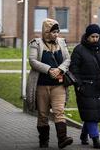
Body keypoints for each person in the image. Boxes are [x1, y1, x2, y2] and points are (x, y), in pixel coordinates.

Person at [26, 18, 73, 149]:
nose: (56, 35)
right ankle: (43, 141)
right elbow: (32, 61)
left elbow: (68, 59)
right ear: (46, 32)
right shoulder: (36, 43)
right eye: (53, 32)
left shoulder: (62, 43)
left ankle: (62, 139)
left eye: (57, 32)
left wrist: (59, 69)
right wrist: (48, 70)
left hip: (58, 85)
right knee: (42, 114)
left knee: (59, 111)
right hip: (41, 85)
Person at [70, 24, 100, 149]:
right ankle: (95, 139)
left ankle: (84, 134)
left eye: (97, 36)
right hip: (86, 88)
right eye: (92, 36)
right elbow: (73, 69)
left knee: (92, 114)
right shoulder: (79, 50)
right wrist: (79, 85)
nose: (95, 39)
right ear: (87, 36)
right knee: (91, 113)